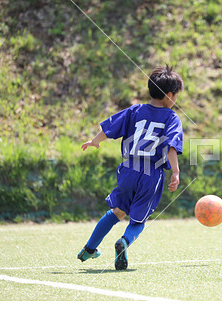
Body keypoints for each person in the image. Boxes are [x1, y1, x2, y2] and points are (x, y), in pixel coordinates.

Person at [77, 65, 184, 270]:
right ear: (170, 95)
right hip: (151, 174)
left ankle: (90, 248)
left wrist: (94, 141)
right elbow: (171, 147)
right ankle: (124, 242)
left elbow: (109, 128)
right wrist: (175, 172)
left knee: (117, 211)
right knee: (138, 220)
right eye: (176, 96)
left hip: (127, 169)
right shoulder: (172, 118)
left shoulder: (135, 110)